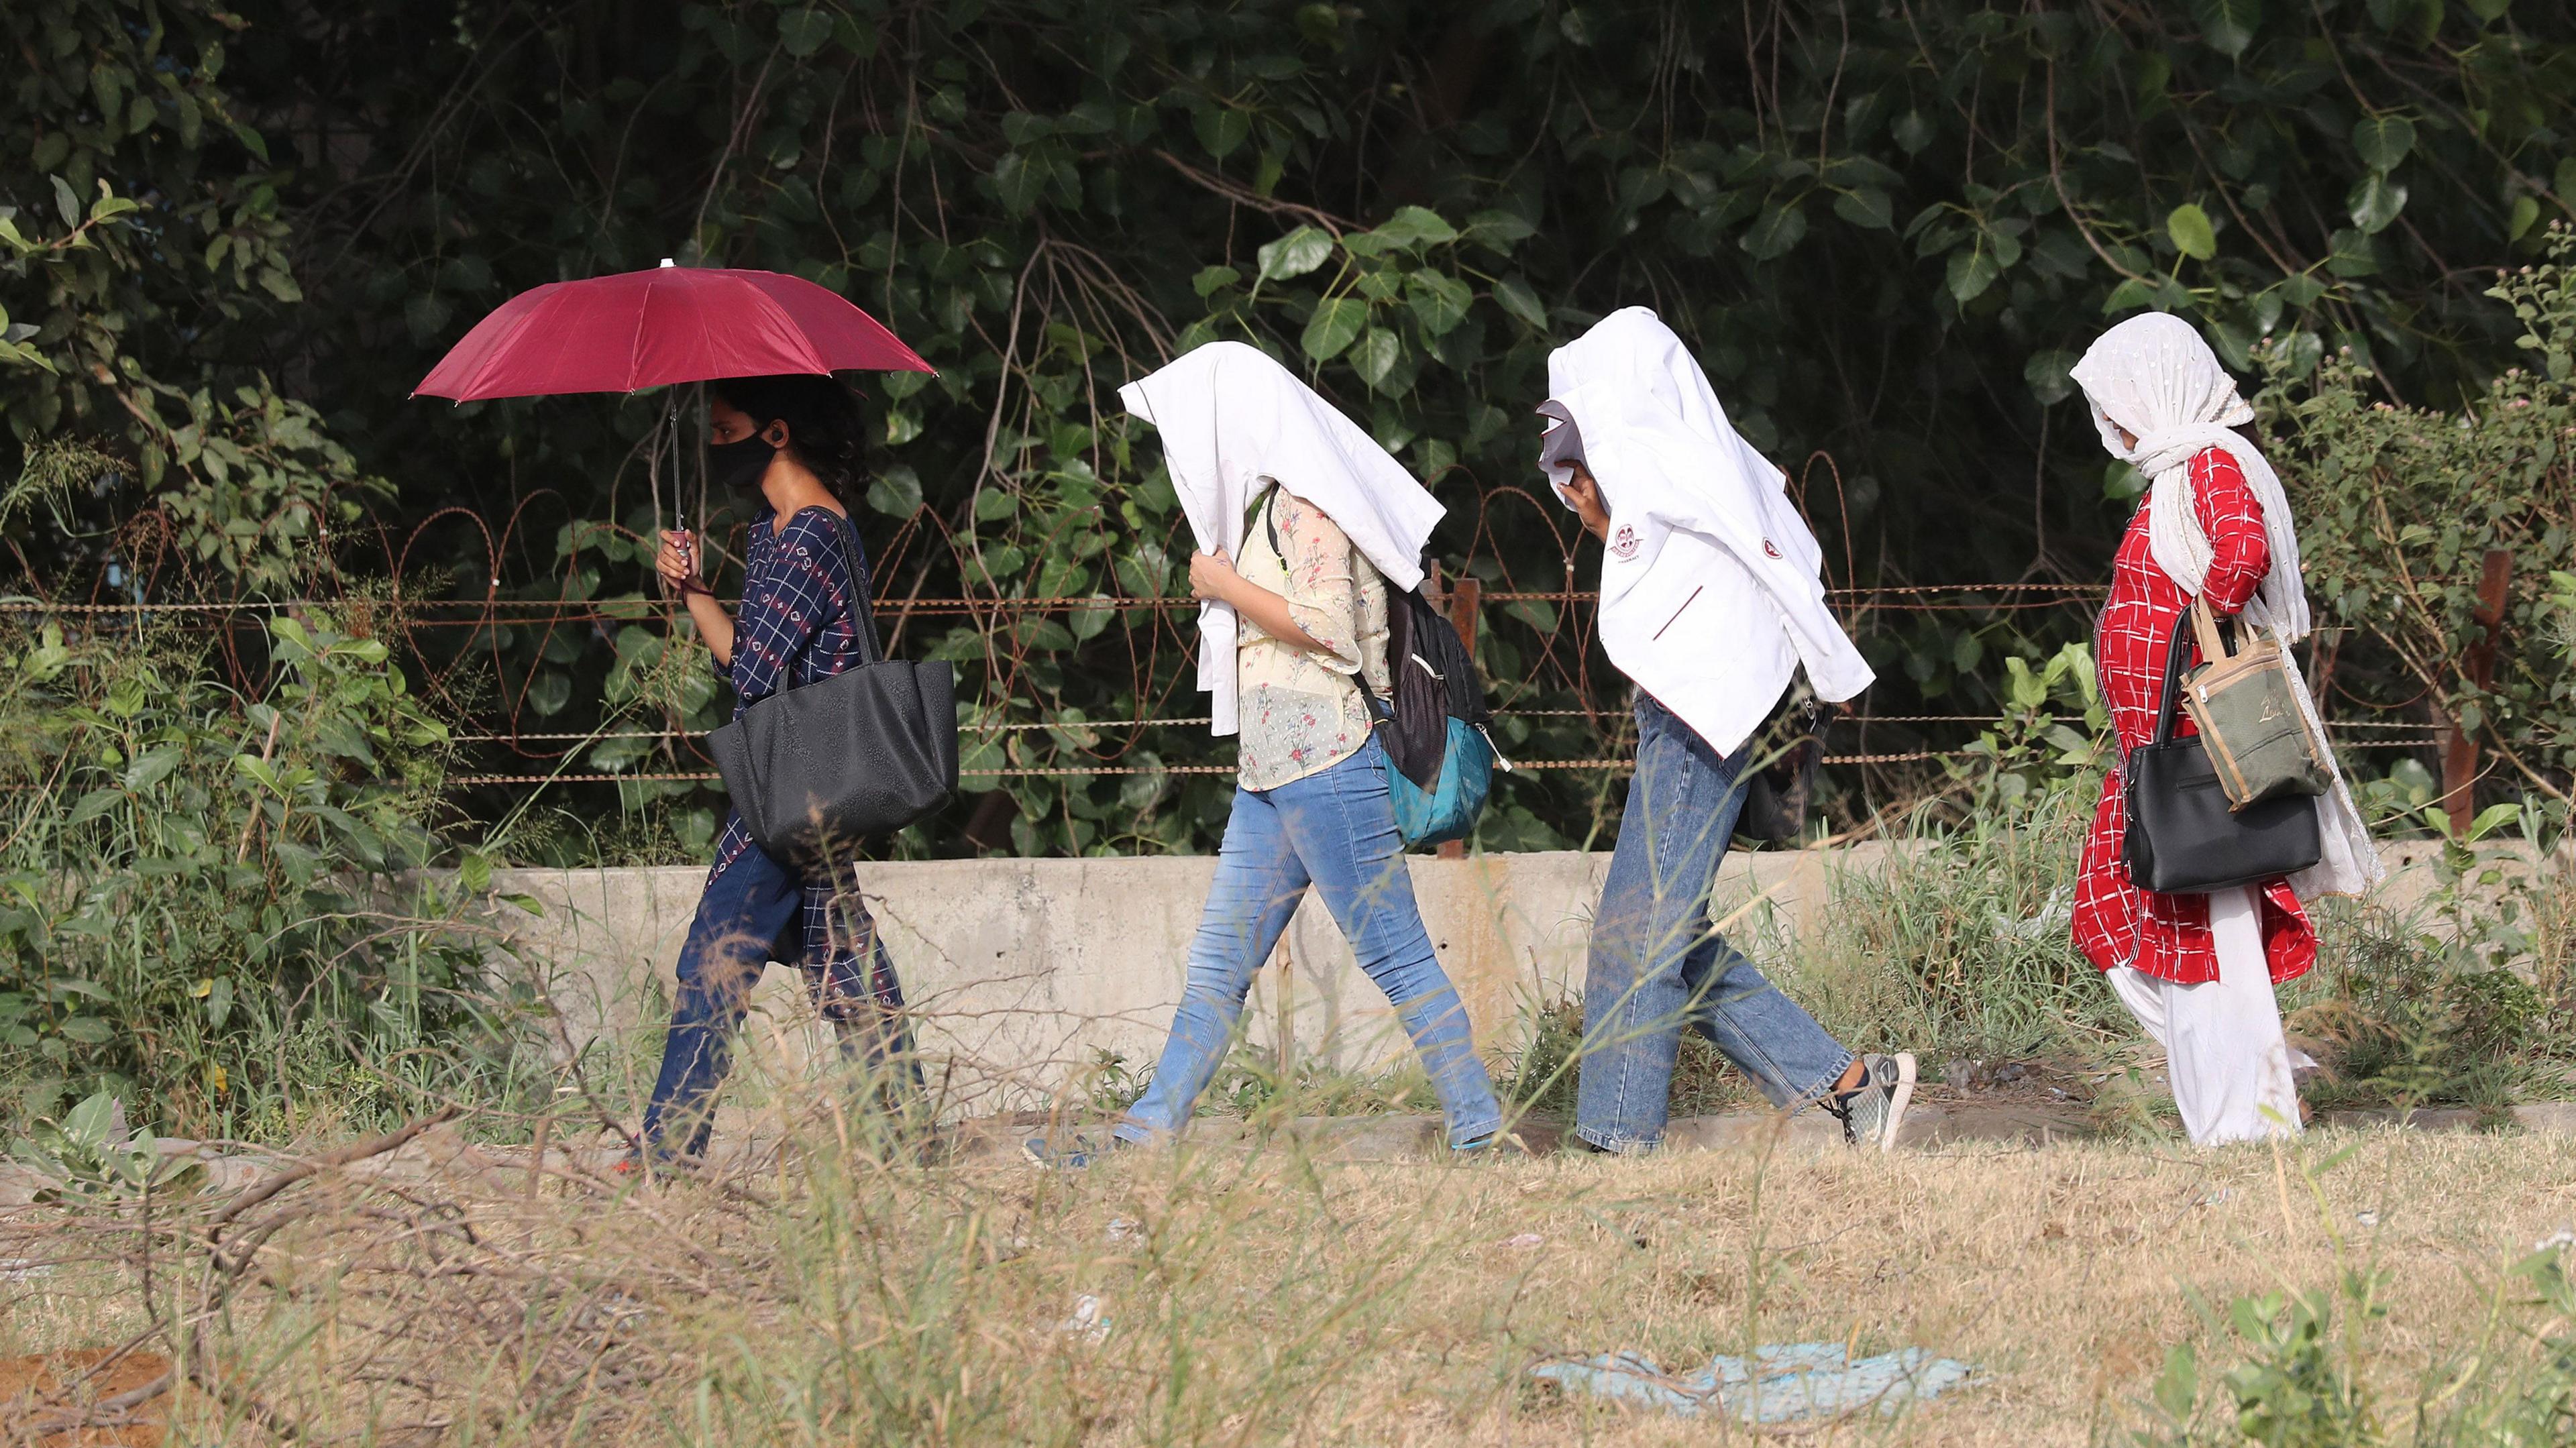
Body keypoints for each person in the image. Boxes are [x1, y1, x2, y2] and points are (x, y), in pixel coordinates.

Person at [1025, 341, 1503, 1164]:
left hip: (1326, 760)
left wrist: (1223, 585)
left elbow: (1327, 630)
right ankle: (1142, 1139)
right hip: (1274, 775)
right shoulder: (1282, 500)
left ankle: (1480, 1131)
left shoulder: (1307, 505)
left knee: (1396, 954)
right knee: (1218, 964)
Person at [1538, 307, 1915, 1153]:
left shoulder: (1679, 461)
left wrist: (1830, 664)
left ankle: (1615, 1139)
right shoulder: (1699, 458)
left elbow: (1769, 563)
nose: (1569, 470)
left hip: (1696, 710)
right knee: (1667, 934)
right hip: (1687, 704)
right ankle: (1854, 1084)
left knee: (1642, 931)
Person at [2066, 313, 2379, 1146]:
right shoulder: (2177, 473)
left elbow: (2240, 552)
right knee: (2128, 922)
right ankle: (2261, 1085)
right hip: (2157, 747)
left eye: (2119, 402)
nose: (2115, 424)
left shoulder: (2210, 464)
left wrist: (2190, 647)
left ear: (2157, 390)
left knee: (2205, 935)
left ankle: (2251, 1115)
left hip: (2193, 749)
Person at [631, 372, 919, 1170]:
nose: (717, 449)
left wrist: (695, 596)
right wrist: (693, 591)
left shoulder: (807, 536)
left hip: (798, 783)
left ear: (778, 433)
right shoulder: (777, 529)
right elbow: (752, 661)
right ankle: (905, 1138)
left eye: (727, 434)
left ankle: (667, 1151)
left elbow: (753, 674)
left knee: (715, 953)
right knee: (843, 962)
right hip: (806, 775)